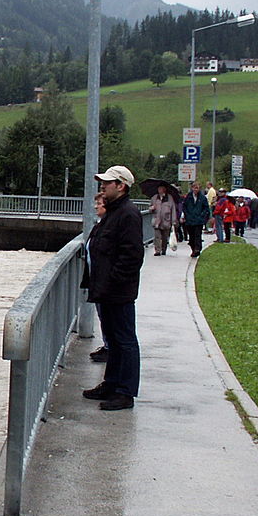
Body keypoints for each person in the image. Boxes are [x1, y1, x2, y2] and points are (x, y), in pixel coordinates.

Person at [81, 165, 144, 411]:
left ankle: (125, 392)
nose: (102, 187)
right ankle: (111, 384)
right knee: (114, 342)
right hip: (106, 291)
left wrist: (113, 281)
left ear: (121, 186)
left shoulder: (128, 214)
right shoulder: (114, 212)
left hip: (117, 292)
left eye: (107, 183)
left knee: (125, 341)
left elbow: (132, 256)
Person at [88, 193, 109, 364]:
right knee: (103, 316)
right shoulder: (100, 224)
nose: (96, 206)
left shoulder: (108, 225)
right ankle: (107, 345)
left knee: (107, 316)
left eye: (99, 204)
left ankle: (109, 348)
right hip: (98, 280)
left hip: (104, 282)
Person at [181, 181, 210, 257]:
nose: (195, 190)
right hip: (189, 220)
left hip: (198, 220)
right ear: (192, 188)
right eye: (194, 188)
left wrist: (202, 216)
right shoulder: (188, 197)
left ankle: (197, 249)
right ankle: (193, 248)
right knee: (191, 237)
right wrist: (186, 215)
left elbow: (206, 208)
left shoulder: (202, 198)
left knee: (197, 235)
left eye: (197, 188)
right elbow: (184, 207)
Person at [148, 183, 176, 256]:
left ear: (164, 189)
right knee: (157, 236)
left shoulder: (169, 198)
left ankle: (164, 249)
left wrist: (173, 221)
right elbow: (150, 208)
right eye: (159, 188)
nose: (159, 190)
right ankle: (157, 250)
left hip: (166, 220)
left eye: (161, 188)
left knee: (164, 237)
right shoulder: (154, 198)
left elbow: (173, 209)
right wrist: (151, 208)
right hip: (156, 220)